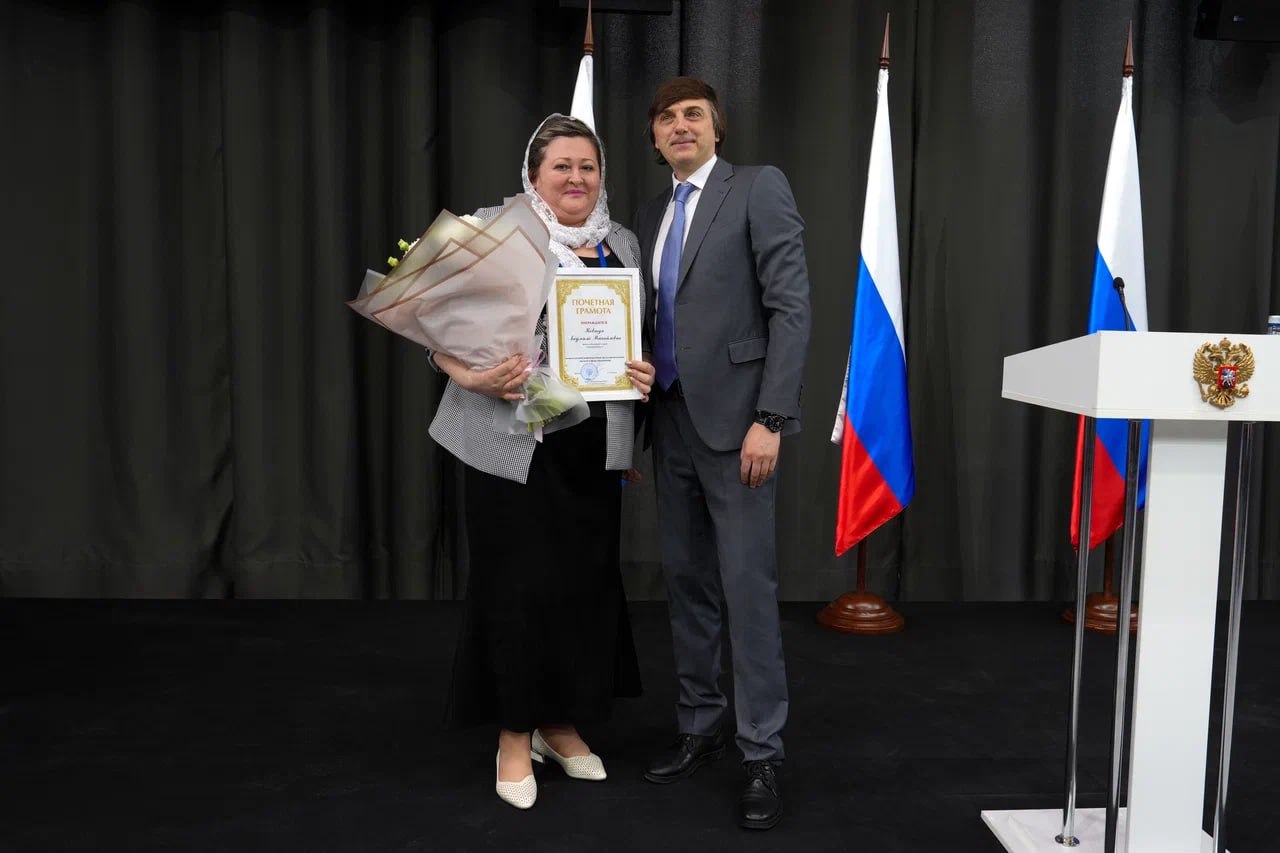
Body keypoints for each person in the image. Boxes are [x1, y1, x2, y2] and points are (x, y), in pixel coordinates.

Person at [431, 114, 655, 810]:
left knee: (583, 586)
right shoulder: (494, 232)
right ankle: (512, 733)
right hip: (513, 443)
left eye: (588, 166)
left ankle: (559, 724)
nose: (576, 178)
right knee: (518, 589)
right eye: (562, 165)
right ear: (534, 175)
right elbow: (435, 328)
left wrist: (642, 373)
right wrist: (472, 376)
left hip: (592, 444)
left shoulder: (621, 242)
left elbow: (634, 335)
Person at [633, 77, 811, 830]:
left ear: (716, 129)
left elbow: (790, 306)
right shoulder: (649, 215)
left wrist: (770, 416)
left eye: (693, 115)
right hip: (669, 421)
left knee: (746, 590)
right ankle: (700, 725)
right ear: (654, 136)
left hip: (740, 427)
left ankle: (761, 750)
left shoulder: (757, 188)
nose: (680, 126)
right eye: (667, 117)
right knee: (687, 584)